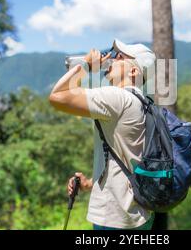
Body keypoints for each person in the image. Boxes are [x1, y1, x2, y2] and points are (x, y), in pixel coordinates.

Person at [49, 39, 156, 230]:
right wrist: (90, 184)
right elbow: (129, 159)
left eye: (120, 56)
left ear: (133, 71)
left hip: (115, 218)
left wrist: (86, 66)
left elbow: (57, 97)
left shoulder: (118, 97)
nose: (112, 59)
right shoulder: (144, 103)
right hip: (138, 214)